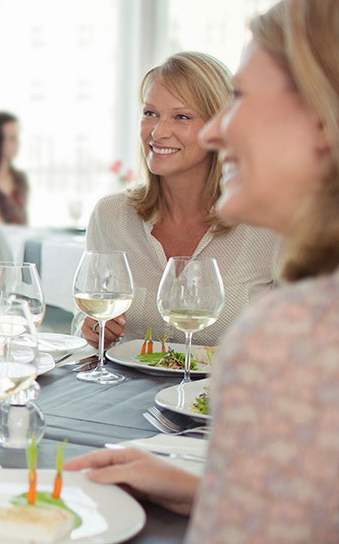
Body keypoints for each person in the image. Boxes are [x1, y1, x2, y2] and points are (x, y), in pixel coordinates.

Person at [67, 0, 339, 544]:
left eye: (244, 99)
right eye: (150, 113)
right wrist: (202, 489)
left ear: (321, 120)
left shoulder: (300, 329)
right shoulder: (115, 215)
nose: (217, 132)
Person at [78, 52, 281, 348]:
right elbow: (89, 320)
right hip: (128, 393)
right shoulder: (111, 216)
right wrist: (93, 330)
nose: (158, 132)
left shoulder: (267, 223)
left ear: (219, 127)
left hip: (227, 393)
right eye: (150, 113)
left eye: (182, 117)